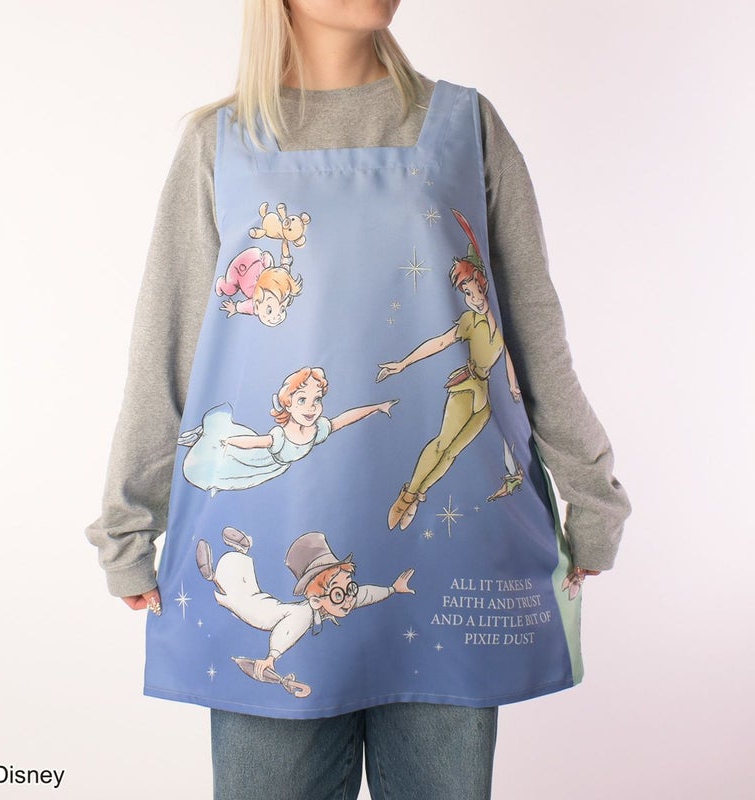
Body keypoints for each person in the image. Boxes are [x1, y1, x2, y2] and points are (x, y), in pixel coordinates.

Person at [86, 2, 631, 798]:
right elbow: (167, 340)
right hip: (278, 525)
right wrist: (128, 520)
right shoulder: (219, 142)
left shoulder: (467, 127)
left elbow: (531, 325)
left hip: (448, 555)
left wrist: (593, 494)